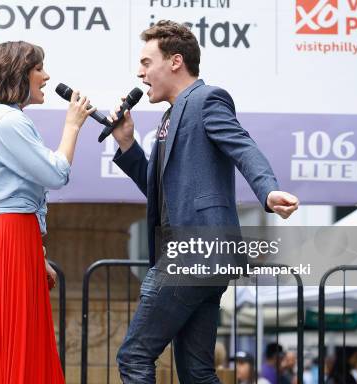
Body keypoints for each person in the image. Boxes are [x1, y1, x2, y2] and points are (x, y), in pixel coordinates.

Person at [110, 20, 299, 383]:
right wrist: (126, 145)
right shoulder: (170, 115)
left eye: (147, 62)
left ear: (175, 61)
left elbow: (244, 146)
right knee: (197, 371)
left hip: (193, 252)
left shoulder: (207, 99)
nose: (140, 72)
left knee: (134, 356)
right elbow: (160, 192)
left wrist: (268, 189)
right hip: (199, 257)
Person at [0, 41, 96, 384]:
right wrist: (73, 125)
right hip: (8, 239)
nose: (46, 76)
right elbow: (56, 173)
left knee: (11, 346)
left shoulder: (2, 119)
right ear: (19, 73)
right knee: (10, 348)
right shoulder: (7, 120)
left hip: (12, 238)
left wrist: (36, 255)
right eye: (39, 69)